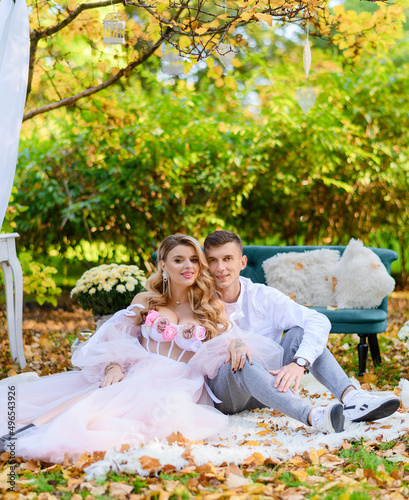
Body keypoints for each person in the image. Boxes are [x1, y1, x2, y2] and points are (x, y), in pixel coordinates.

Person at [0, 234, 345, 463]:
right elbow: (113, 336)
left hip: (183, 383)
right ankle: (19, 436)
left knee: (119, 421)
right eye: (178, 260)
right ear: (163, 265)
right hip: (138, 374)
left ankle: (314, 415)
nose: (188, 266)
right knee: (84, 407)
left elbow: (226, 339)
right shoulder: (146, 300)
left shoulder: (207, 306)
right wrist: (114, 366)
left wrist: (237, 340)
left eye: (194, 260)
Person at [204, 230, 400, 427]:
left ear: (242, 262)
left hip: (268, 390)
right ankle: (313, 416)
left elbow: (317, 320)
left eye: (227, 258)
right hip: (228, 395)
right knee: (240, 359)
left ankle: (352, 398)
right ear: (206, 265)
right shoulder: (199, 303)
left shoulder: (263, 297)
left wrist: (299, 362)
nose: (220, 267)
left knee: (299, 332)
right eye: (213, 260)